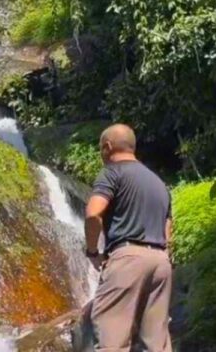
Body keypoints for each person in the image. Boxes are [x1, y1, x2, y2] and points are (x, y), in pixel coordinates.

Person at [85, 124, 173, 352]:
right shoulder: (158, 183)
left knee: (112, 340)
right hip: (161, 261)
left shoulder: (113, 172)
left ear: (107, 147)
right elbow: (168, 231)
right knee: (157, 343)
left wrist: (93, 252)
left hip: (128, 258)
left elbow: (94, 214)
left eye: (100, 150)